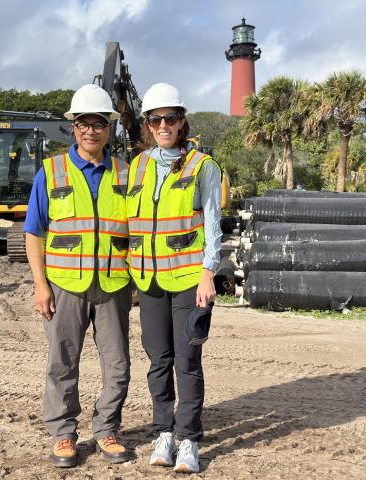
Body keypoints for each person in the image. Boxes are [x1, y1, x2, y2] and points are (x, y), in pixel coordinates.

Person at [24, 84, 132, 468]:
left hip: (114, 286)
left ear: (109, 129)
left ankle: (106, 430)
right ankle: (64, 435)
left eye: (99, 124)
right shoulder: (51, 172)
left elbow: (137, 231)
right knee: (62, 363)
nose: (91, 131)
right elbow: (33, 232)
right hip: (65, 286)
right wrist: (41, 286)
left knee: (118, 364)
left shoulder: (125, 173)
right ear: (74, 127)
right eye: (84, 123)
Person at [126, 83, 222, 474]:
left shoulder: (203, 167)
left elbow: (214, 225)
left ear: (182, 122)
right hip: (148, 281)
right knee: (158, 360)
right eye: (155, 119)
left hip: (187, 279)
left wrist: (208, 273)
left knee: (187, 360)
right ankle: (163, 432)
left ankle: (188, 440)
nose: (163, 124)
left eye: (170, 118)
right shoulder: (139, 166)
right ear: (148, 125)